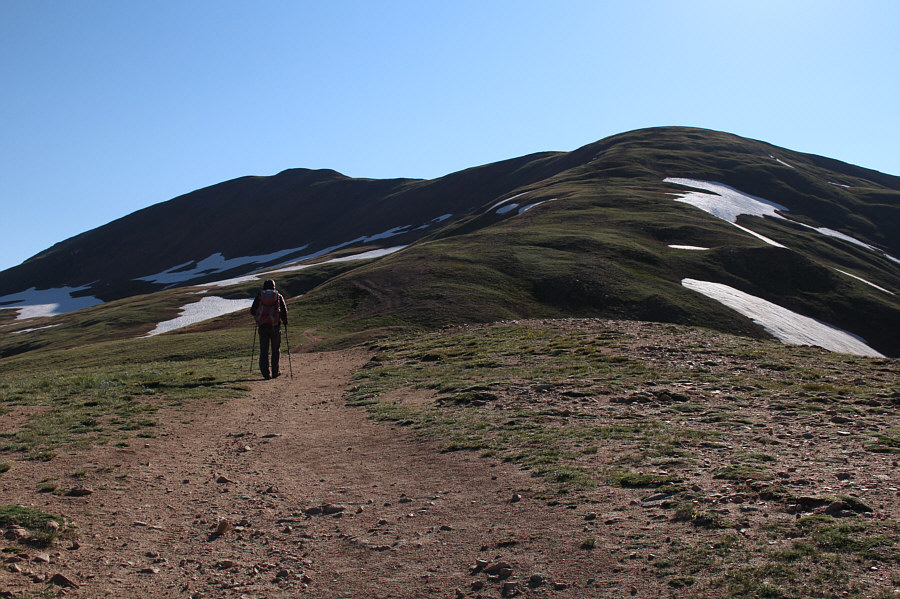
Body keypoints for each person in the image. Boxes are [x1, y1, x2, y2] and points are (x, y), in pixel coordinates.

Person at [250, 279, 288, 379]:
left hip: (262, 326)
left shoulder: (260, 296)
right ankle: (275, 372)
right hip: (275, 326)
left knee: (264, 350)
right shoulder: (278, 296)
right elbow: (284, 311)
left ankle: (266, 374)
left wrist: (259, 317)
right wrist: (285, 321)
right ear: (274, 287)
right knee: (275, 349)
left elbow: (252, 311)